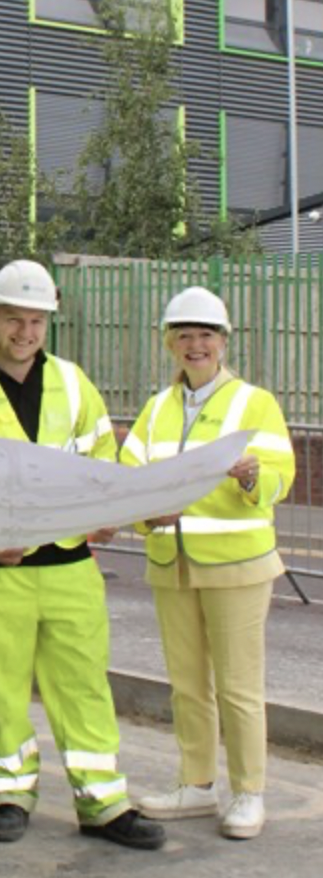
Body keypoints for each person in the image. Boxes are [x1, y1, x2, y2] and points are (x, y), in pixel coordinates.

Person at [0, 259, 165, 850]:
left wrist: (109, 512)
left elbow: (104, 462)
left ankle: (103, 801)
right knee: (0, 687)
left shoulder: (75, 384)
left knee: (83, 685)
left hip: (71, 566)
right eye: (14, 319)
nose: (25, 332)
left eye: (37, 321)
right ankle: (9, 793)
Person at [119, 286, 295, 840]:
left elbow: (279, 476)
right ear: (169, 343)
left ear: (223, 342)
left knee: (238, 685)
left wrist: (250, 476)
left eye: (206, 336)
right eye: (185, 335)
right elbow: (132, 481)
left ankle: (248, 792)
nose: (195, 345)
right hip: (173, 562)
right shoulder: (156, 408)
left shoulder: (254, 402)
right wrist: (148, 516)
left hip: (236, 564)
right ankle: (196, 785)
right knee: (187, 683)